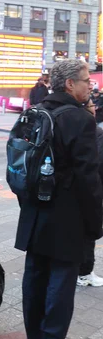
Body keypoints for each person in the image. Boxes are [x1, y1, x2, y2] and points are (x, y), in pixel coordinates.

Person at [16, 60, 102, 339]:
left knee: (35, 275)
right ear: (69, 84)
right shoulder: (80, 120)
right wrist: (95, 222)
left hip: (34, 211)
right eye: (85, 80)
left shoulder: (34, 112)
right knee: (61, 278)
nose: (89, 85)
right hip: (66, 215)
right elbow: (88, 178)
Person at [77, 98, 103, 287]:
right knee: (89, 232)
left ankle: (81, 270)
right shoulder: (96, 132)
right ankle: (85, 272)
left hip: (70, 192)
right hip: (91, 191)